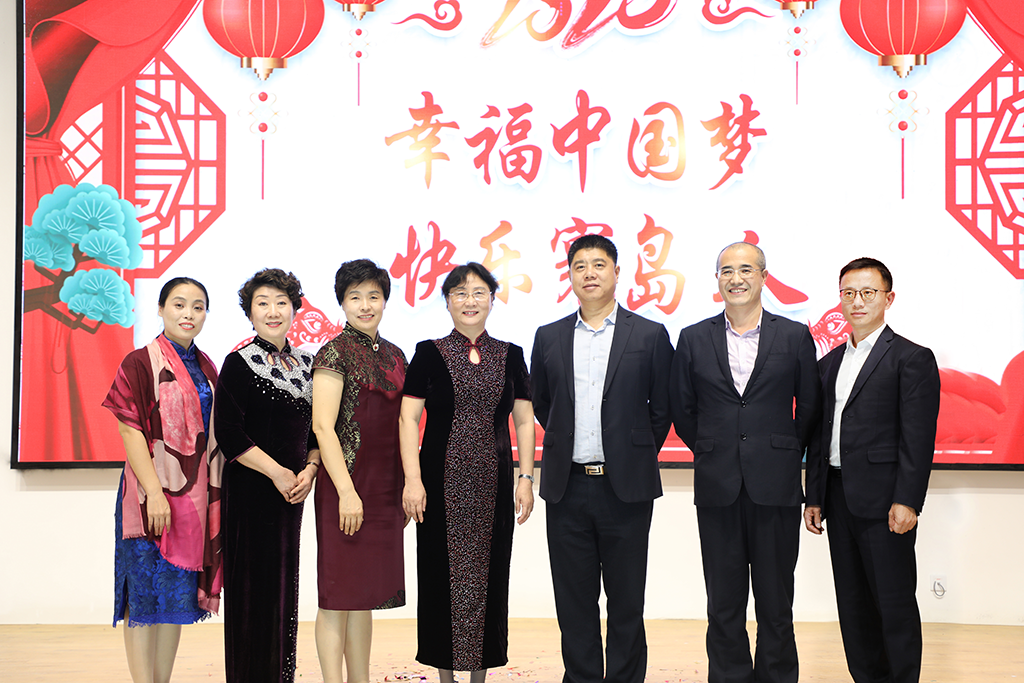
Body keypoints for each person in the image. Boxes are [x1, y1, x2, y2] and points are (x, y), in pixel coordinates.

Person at [669, 242, 821, 683]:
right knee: (723, 602)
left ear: (764, 277)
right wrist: (713, 448)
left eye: (746, 270)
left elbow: (809, 406)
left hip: (775, 485)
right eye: (727, 270)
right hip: (717, 485)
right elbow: (682, 408)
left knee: (776, 600)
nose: (736, 278)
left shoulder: (793, 336)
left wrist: (781, 449)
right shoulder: (693, 338)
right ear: (717, 279)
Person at [530, 235, 673, 683]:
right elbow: (544, 402)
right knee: (574, 602)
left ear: (616, 272)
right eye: (579, 266)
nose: (589, 273)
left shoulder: (649, 334)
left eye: (598, 264)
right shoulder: (549, 336)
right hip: (567, 486)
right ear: (570, 275)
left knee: (627, 601)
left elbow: (662, 407)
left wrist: (630, 453)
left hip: (625, 488)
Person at [804, 257, 940, 683]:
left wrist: (908, 500)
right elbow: (819, 435)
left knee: (893, 603)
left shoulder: (911, 358)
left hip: (885, 502)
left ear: (888, 298)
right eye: (848, 293)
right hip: (837, 496)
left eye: (868, 293)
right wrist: (814, 496)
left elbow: (918, 438)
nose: (857, 301)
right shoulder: (828, 364)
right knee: (853, 604)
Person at [400, 263, 536, 683]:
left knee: (490, 576)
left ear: (492, 300)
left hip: (493, 484)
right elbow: (408, 419)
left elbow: (524, 421)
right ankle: (446, 676)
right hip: (438, 483)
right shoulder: (428, 352)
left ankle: (479, 675)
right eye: (459, 293)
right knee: (440, 575)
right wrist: (412, 480)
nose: (469, 301)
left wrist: (526, 478)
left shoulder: (511, 354)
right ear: (447, 302)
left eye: (479, 292)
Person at [102, 277, 222, 683]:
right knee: (143, 600)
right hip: (147, 500)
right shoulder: (138, 362)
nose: (189, 314)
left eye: (198, 306)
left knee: (174, 600)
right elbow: (129, 429)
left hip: (192, 505)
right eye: (179, 304)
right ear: (160, 309)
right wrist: (154, 492)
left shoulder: (207, 367)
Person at [214, 269, 320, 683]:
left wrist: (310, 470)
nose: (273, 311)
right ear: (250, 313)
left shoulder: (308, 364)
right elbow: (229, 433)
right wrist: (277, 472)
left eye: (281, 302)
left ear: (294, 308)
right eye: (263, 303)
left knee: (282, 590)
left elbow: (317, 431)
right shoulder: (238, 363)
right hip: (251, 493)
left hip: (292, 495)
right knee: (252, 592)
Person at [311, 260, 408, 683]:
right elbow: (322, 427)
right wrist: (347, 492)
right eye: (355, 297)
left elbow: (403, 425)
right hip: (344, 486)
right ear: (342, 303)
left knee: (363, 594)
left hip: (384, 488)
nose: (365, 305)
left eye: (373, 296)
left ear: (385, 300)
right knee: (337, 594)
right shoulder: (333, 352)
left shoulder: (396, 355)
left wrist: (404, 487)